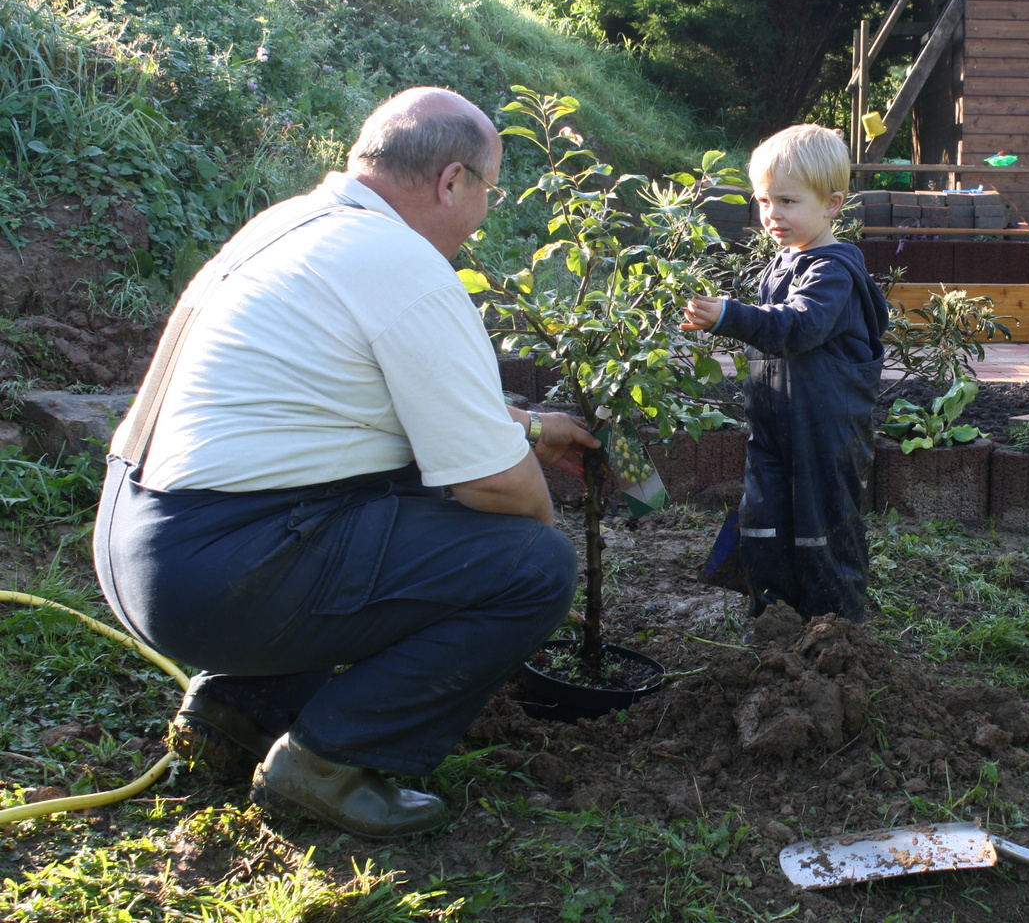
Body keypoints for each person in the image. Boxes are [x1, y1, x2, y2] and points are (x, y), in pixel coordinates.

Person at [93, 87, 596, 839]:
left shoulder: (295, 226)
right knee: (532, 564)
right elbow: (499, 489)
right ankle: (330, 761)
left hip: (142, 542)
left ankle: (240, 708)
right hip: (223, 570)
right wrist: (528, 585)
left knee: (381, 494)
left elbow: (357, 404)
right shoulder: (404, 265)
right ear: (451, 180)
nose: (483, 214)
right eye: (488, 192)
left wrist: (522, 427)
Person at [681, 125, 887, 622]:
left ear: (831, 205)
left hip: (825, 431)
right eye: (764, 201)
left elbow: (798, 326)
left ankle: (834, 624)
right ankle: (773, 615)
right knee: (764, 516)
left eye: (788, 202)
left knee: (823, 523)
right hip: (774, 423)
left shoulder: (832, 270)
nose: (772, 215)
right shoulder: (783, 262)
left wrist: (731, 315)